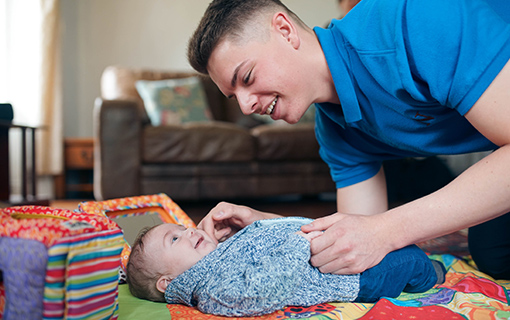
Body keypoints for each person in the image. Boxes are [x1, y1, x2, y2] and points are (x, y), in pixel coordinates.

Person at [188, 0, 510, 280]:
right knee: (493, 252)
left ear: (285, 31)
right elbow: (358, 238)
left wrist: (388, 229)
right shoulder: (334, 130)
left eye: (246, 78)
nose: (246, 106)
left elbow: (379, 232)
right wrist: (271, 228)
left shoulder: (411, 18)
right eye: (234, 97)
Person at [126, 218, 445, 317]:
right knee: (408, 259)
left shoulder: (214, 265)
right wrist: (298, 242)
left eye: (183, 227)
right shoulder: (212, 289)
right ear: (166, 283)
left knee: (392, 241)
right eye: (175, 239)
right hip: (350, 273)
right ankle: (432, 274)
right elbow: (267, 285)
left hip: (331, 242)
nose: (190, 232)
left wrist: (239, 237)